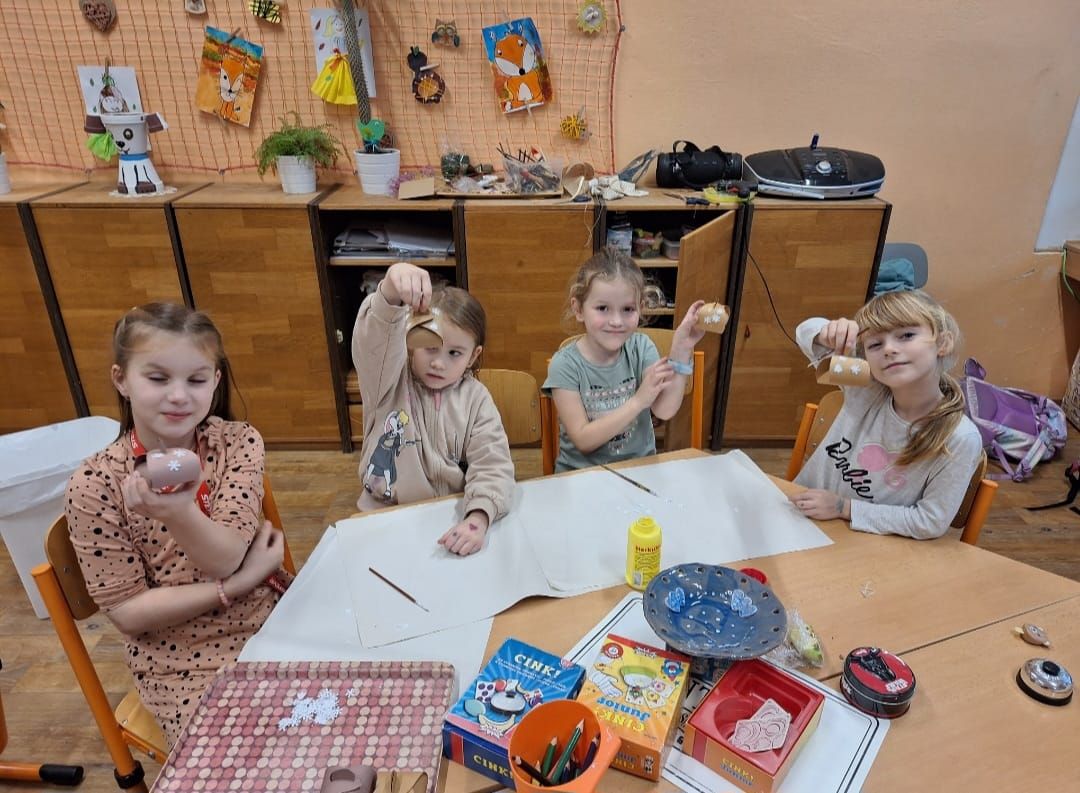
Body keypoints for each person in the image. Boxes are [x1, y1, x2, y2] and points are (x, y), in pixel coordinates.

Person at [65, 303, 288, 745]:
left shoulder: (236, 442)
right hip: (181, 661)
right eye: (158, 378)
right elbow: (129, 612)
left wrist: (179, 513)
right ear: (121, 380)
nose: (180, 396)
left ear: (216, 381)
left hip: (269, 621)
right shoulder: (94, 485)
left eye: (196, 380)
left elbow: (225, 556)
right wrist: (238, 584)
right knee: (243, 757)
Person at [790, 290, 983, 539]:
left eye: (906, 335)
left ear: (943, 343)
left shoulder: (960, 438)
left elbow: (929, 521)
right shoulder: (864, 386)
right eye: (875, 344)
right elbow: (804, 332)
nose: (889, 349)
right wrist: (829, 333)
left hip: (871, 544)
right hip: (800, 521)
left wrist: (843, 507)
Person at [352, 262, 514, 555]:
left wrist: (478, 516)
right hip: (383, 517)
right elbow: (373, 342)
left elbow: (492, 464)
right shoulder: (386, 379)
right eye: (430, 347)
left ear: (473, 356)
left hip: (448, 518)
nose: (439, 363)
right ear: (410, 336)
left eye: (455, 353)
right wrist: (390, 292)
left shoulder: (476, 399)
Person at [543, 247, 705, 471]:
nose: (616, 321)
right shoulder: (565, 365)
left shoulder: (642, 348)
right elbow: (583, 440)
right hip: (582, 474)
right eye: (602, 308)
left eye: (628, 309)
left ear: (641, 308)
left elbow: (664, 410)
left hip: (639, 469)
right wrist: (638, 401)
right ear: (578, 309)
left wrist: (682, 349)